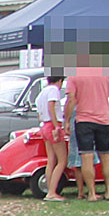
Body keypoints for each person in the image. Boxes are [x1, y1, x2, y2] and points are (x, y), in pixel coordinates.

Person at [65, 60, 109, 201]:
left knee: (86, 158)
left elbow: (71, 100)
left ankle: (92, 193)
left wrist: (67, 120)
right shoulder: (105, 74)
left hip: (84, 120)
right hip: (104, 119)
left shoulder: (74, 76)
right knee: (105, 156)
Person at [35, 68, 69, 201]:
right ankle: (52, 192)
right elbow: (51, 106)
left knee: (51, 159)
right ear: (60, 80)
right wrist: (56, 126)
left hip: (44, 125)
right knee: (62, 160)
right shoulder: (54, 90)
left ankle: (49, 189)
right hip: (52, 124)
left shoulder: (43, 92)